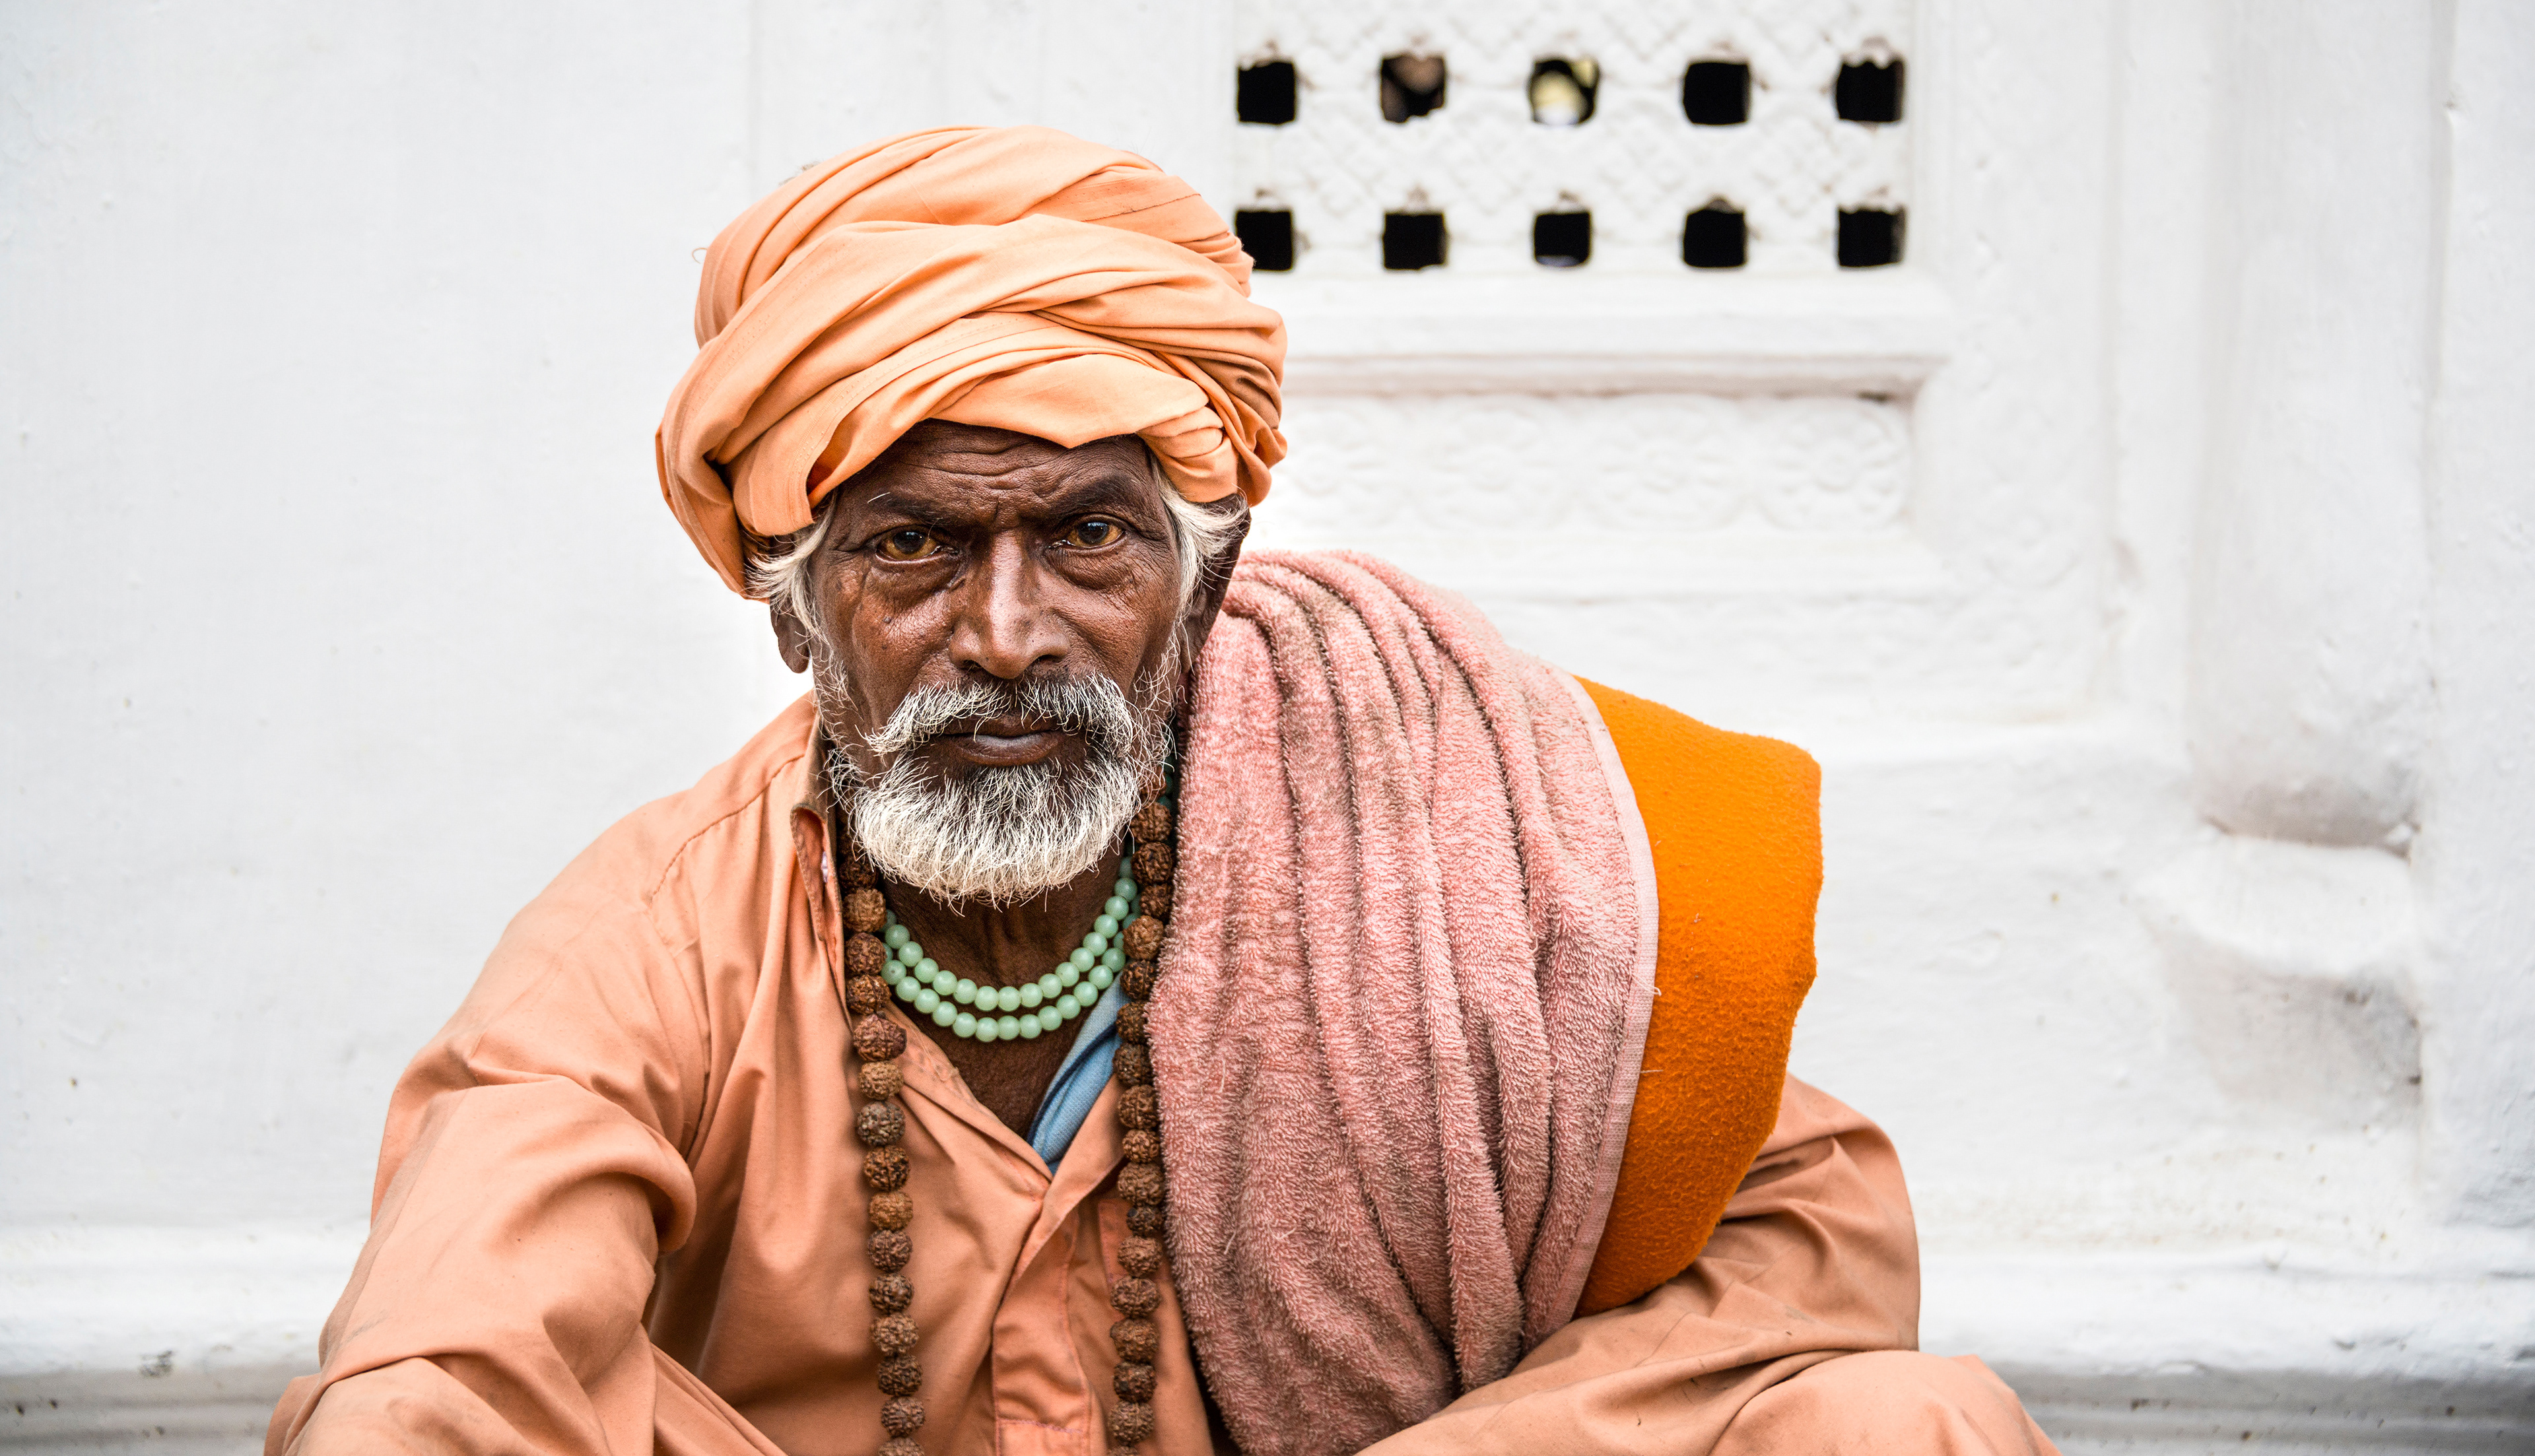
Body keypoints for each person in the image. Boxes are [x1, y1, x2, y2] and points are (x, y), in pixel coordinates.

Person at [266, 126, 2058, 1456]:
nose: (1008, 630)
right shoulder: (660, 934)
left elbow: (1817, 1235)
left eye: (1089, 537)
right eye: (911, 546)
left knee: (1910, 1424)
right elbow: (446, 1354)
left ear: (1199, 574)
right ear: (796, 606)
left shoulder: (1415, 817)